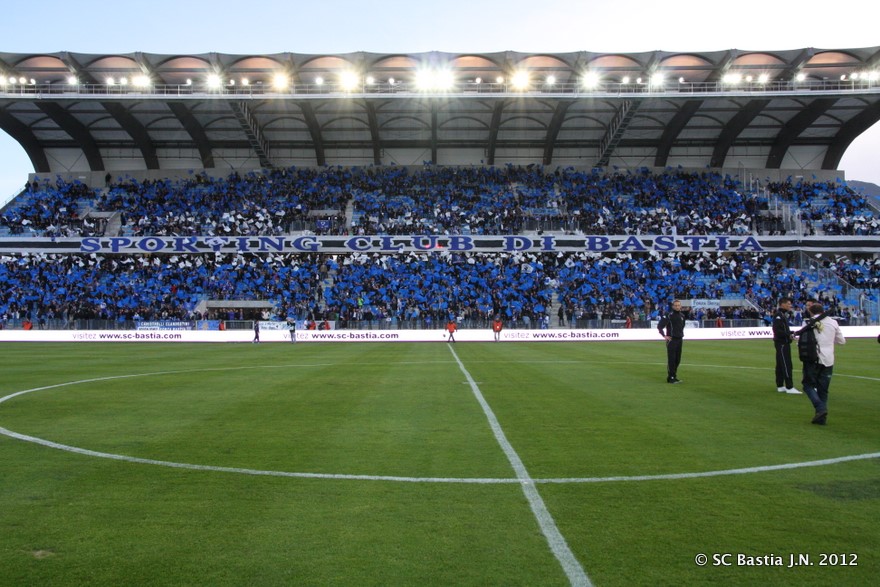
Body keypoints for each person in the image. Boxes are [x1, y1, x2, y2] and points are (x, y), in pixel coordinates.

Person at [797, 304, 845, 425]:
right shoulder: (833, 322)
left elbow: (802, 341)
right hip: (829, 359)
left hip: (813, 357)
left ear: (811, 312)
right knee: (823, 390)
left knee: (808, 385)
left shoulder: (808, 322)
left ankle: (820, 408)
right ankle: (821, 418)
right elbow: (841, 341)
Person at [771, 297, 801, 394]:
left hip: (782, 342)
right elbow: (777, 331)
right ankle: (789, 386)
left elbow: (782, 330)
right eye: (788, 304)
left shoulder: (782, 315)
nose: (790, 305)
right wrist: (789, 334)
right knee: (786, 364)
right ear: (782, 304)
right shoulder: (779, 316)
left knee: (780, 364)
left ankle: (780, 385)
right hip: (782, 343)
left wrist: (791, 333)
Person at [657, 299, 686, 384]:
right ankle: (671, 377)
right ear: (673, 306)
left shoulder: (682, 316)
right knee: (672, 359)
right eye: (675, 305)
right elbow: (660, 326)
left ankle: (674, 375)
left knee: (678, 359)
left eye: (678, 305)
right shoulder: (669, 315)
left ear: (680, 306)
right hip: (672, 340)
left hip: (680, 339)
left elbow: (682, 326)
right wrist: (664, 336)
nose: (677, 307)